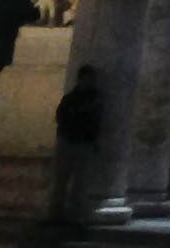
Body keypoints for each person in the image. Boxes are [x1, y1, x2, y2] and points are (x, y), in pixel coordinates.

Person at [43, 66, 103, 238]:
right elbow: (61, 117)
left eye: (91, 79)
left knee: (80, 183)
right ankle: (55, 214)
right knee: (60, 180)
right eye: (87, 78)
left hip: (83, 143)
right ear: (80, 79)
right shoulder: (71, 98)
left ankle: (75, 215)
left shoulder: (94, 100)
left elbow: (94, 122)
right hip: (68, 142)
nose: (89, 82)